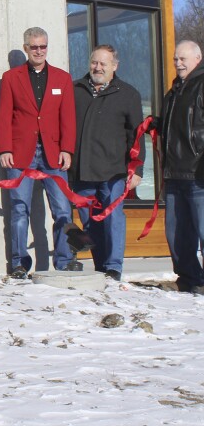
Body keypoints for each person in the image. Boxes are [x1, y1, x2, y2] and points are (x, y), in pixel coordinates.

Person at [0, 26, 76, 278]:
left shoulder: (62, 79)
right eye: (34, 47)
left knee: (62, 209)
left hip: (53, 154)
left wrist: (67, 149)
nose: (39, 51)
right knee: (19, 209)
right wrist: (5, 148)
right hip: (21, 154)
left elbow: (68, 119)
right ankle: (19, 263)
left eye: (43, 46)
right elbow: (4, 116)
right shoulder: (11, 78)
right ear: (26, 49)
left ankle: (64, 261)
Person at [70, 45, 144, 281]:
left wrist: (138, 169)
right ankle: (101, 266)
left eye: (103, 63)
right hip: (82, 171)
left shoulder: (128, 94)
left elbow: (137, 135)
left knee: (113, 220)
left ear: (114, 66)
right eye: (94, 62)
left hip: (115, 172)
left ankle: (114, 268)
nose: (98, 67)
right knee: (89, 224)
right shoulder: (75, 90)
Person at [158, 40, 204, 295]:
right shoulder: (173, 92)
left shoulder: (201, 84)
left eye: (183, 59)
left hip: (198, 173)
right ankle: (189, 280)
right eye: (176, 59)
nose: (178, 63)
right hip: (174, 174)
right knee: (177, 235)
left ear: (197, 58)